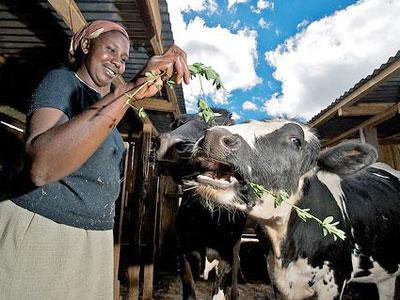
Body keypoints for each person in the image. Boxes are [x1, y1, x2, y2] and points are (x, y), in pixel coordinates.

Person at [0, 20, 190, 299]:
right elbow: (41, 167)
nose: (118, 63)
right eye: (111, 50)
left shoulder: (104, 108)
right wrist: (132, 88)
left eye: (124, 59)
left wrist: (131, 92)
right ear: (86, 45)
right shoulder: (62, 81)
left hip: (92, 239)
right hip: (44, 234)